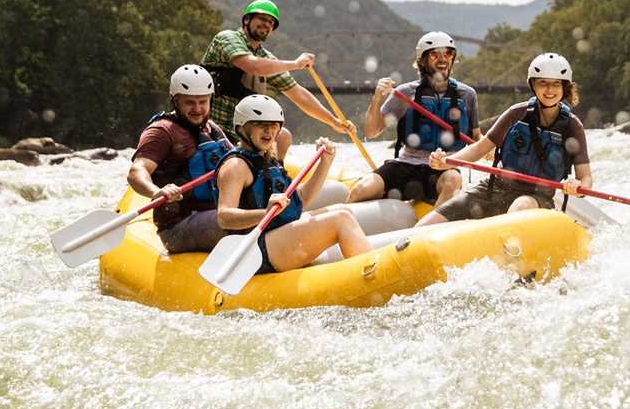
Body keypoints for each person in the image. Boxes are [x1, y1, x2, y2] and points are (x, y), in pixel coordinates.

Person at [421, 52, 592, 225]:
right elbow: (479, 148)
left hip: (536, 198)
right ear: (533, 84)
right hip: (494, 188)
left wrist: (578, 187)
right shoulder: (516, 113)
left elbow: (586, 177)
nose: (549, 90)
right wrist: (448, 161)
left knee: (520, 206)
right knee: (427, 224)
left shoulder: (572, 126)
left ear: (565, 87)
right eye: (543, 83)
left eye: (556, 84)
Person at [216, 95, 374, 274]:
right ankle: (371, 273)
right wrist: (264, 214)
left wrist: (325, 162)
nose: (269, 131)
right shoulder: (236, 166)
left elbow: (303, 200)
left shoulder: (267, 159)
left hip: (276, 236)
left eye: (274, 125)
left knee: (343, 211)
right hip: (253, 249)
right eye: (261, 125)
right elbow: (224, 217)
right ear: (242, 128)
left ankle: (365, 264)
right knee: (341, 220)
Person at [202, 0, 354, 160]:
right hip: (213, 128)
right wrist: (296, 64)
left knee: (283, 136)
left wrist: (334, 121)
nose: (267, 24)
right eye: (262, 19)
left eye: (271, 22)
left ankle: (275, 176)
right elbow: (251, 65)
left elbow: (298, 94)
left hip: (243, 134)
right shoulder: (227, 38)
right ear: (247, 20)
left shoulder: (267, 58)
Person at [345, 31, 479, 208]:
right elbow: (371, 132)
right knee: (360, 190)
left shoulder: (467, 95)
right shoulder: (405, 93)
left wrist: (490, 148)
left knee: (453, 179)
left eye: (447, 53)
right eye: (434, 54)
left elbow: (477, 140)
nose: (442, 59)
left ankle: (428, 229)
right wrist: (377, 98)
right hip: (406, 165)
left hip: (442, 168)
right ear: (422, 61)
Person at [127, 65, 233, 253]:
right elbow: (137, 171)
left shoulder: (212, 129)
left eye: (203, 101)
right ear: (176, 101)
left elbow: (237, 163)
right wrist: (157, 192)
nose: (198, 109)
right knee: (240, 223)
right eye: (190, 103)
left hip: (216, 212)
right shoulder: (161, 131)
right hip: (178, 226)